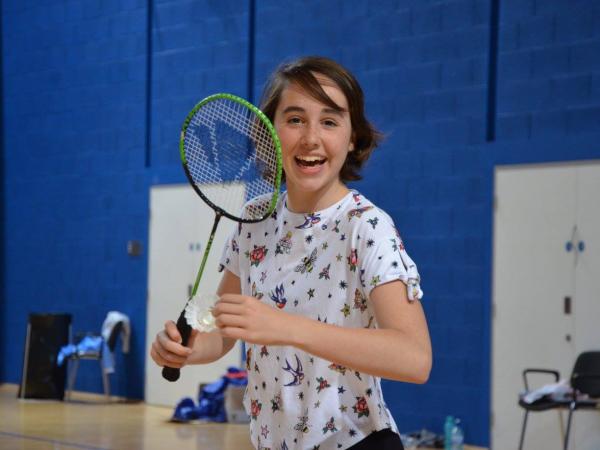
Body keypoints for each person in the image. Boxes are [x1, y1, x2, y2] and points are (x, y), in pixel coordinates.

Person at [151, 56, 432, 450]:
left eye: (330, 121)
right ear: (269, 131)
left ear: (352, 137)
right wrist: (187, 349)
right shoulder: (254, 219)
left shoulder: (366, 227)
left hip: (356, 443)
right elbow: (223, 333)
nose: (311, 138)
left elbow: (415, 358)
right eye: (295, 119)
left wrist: (287, 327)